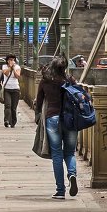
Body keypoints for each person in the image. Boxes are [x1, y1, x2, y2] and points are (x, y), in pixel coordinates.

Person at [35, 55, 78, 199]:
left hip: (52, 118)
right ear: (64, 67)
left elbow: (39, 102)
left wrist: (38, 116)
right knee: (70, 152)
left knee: (57, 155)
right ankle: (72, 174)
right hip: (70, 120)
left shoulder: (46, 81)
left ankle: (60, 191)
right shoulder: (70, 80)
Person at [0, 54, 21, 128]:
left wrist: (14, 68)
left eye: (13, 59)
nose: (11, 61)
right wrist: (10, 68)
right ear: (7, 60)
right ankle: (6, 120)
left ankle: (13, 122)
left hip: (15, 89)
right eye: (10, 60)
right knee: (8, 105)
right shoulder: (4, 66)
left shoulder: (17, 67)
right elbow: (6, 73)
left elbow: (17, 76)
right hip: (7, 89)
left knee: (13, 107)